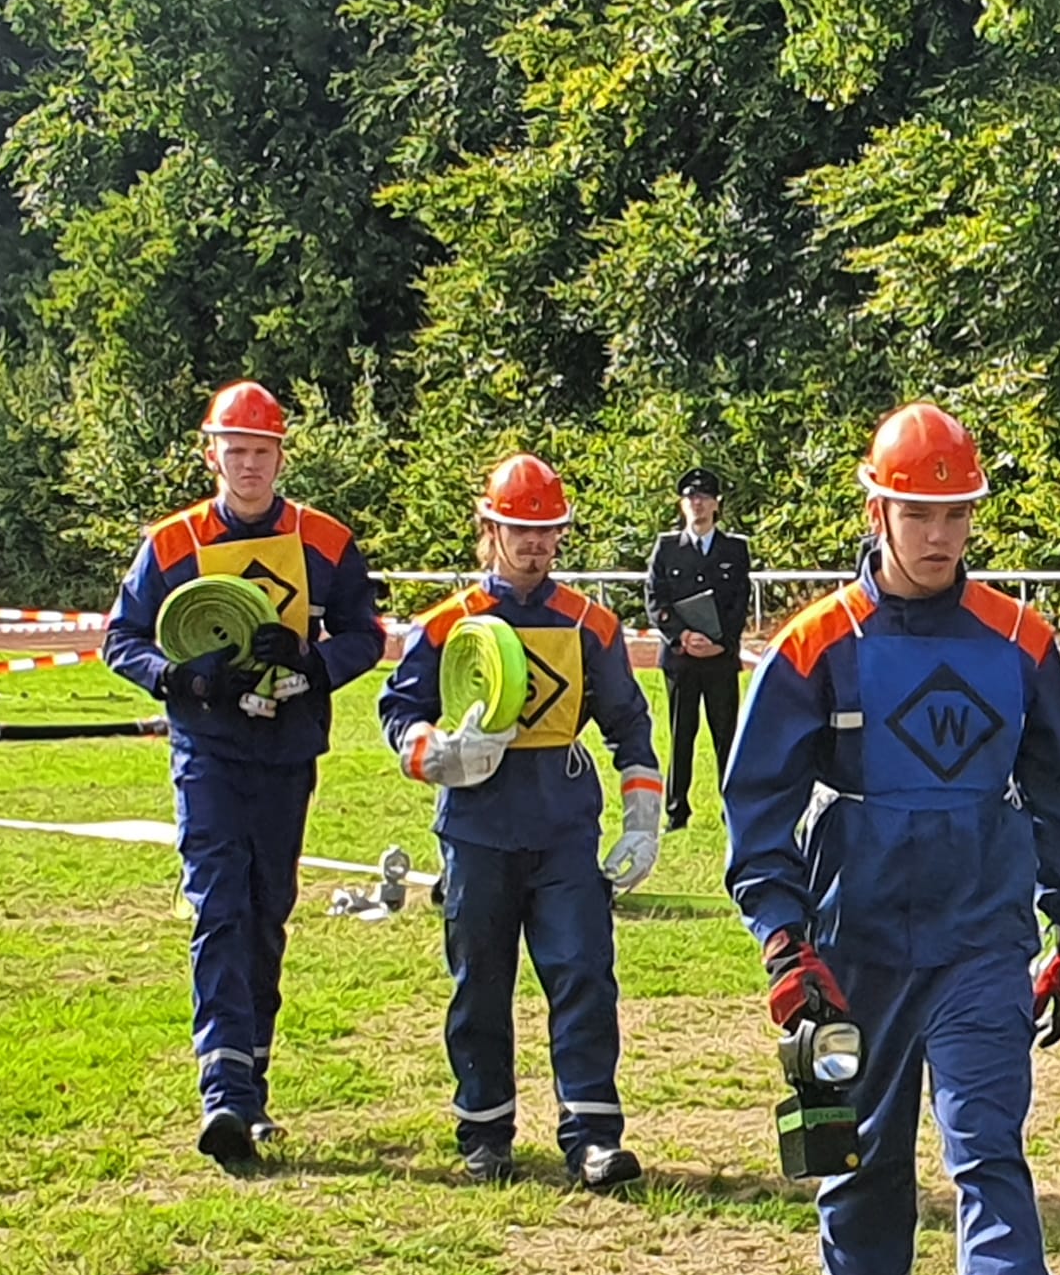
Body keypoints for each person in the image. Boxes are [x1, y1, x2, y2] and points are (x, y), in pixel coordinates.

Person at [723, 403, 1060, 1275]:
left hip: (982, 946)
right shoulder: (812, 646)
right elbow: (756, 808)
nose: (939, 534)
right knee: (853, 1155)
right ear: (877, 508)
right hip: (847, 950)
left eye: (957, 514)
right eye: (918, 512)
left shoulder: (1022, 642)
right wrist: (782, 941)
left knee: (989, 1155)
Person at [103, 380, 385, 1168]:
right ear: (212, 454)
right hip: (208, 751)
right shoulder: (169, 541)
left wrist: (313, 662)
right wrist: (183, 678)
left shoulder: (327, 539)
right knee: (218, 907)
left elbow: (367, 633)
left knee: (266, 913)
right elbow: (121, 640)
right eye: (237, 451)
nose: (250, 465)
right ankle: (222, 1092)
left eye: (262, 451)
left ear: (279, 456)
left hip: (288, 750)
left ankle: (251, 1081)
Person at [379, 453, 662, 1191]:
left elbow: (629, 724)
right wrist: (435, 754)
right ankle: (484, 1130)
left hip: (565, 826)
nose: (533, 545)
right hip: (476, 829)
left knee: (583, 976)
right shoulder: (449, 624)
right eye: (518, 531)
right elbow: (396, 710)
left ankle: (594, 1137)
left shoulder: (591, 623)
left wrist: (642, 818)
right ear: (489, 529)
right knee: (480, 984)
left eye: (545, 532)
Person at [644, 466, 752, 830]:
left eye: (704, 498)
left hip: (719, 659)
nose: (698, 505)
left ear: (717, 504)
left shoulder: (734, 549)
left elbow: (740, 602)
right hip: (681, 659)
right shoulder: (667, 547)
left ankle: (732, 807)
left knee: (726, 735)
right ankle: (676, 812)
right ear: (682, 504)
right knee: (681, 734)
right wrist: (682, 637)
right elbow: (655, 599)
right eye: (691, 498)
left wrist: (720, 642)